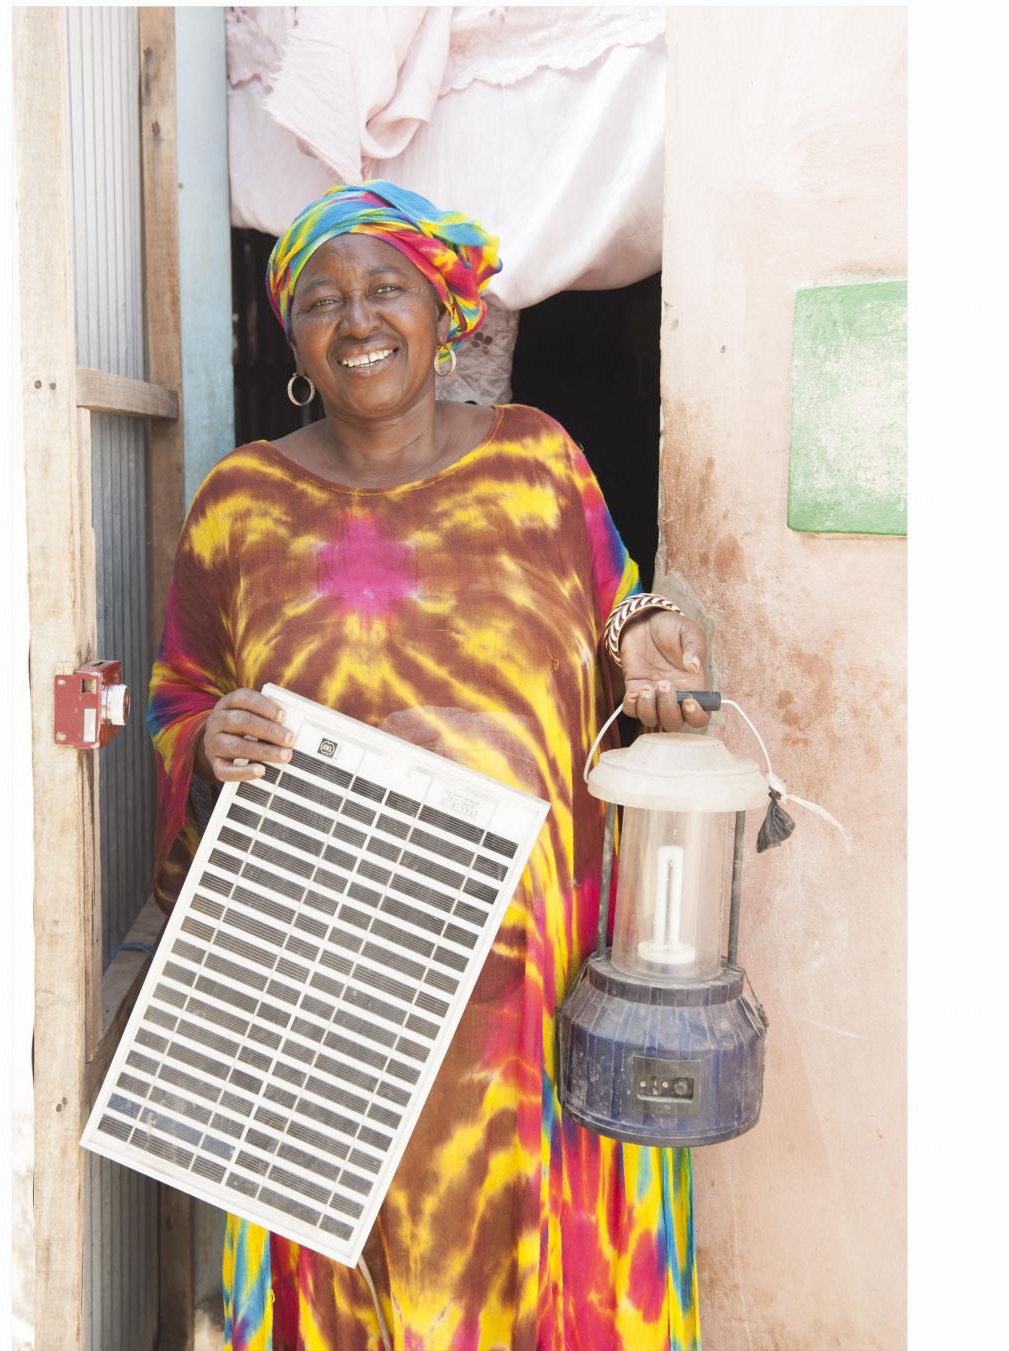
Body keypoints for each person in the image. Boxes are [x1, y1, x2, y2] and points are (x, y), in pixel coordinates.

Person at [148, 181, 709, 1351]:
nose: (359, 320)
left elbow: (621, 625)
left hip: (530, 975)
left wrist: (648, 636)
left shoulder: (539, 463)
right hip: (330, 988)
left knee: (532, 1252)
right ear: (291, 336)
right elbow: (182, 700)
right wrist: (204, 746)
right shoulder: (240, 504)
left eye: (386, 287)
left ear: (440, 310)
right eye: (322, 298)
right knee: (348, 1246)